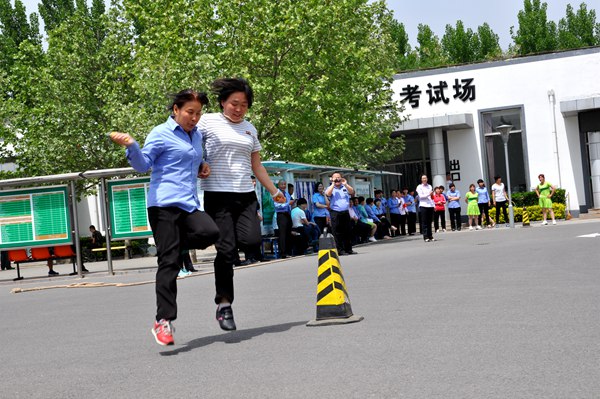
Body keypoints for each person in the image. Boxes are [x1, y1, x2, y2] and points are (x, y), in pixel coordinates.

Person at [110, 89, 221, 346]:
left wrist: (202, 164)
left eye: (198, 113)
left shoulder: (197, 135)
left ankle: (171, 245)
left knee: (210, 233)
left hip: (189, 205)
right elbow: (142, 165)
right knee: (169, 263)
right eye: (189, 112)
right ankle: (163, 321)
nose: (194, 118)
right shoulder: (160, 133)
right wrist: (131, 145)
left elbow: (193, 158)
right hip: (163, 206)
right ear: (176, 110)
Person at [198, 78, 285, 334]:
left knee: (252, 242)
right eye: (234, 103)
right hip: (218, 194)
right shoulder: (207, 122)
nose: (238, 109)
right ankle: (224, 304)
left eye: (244, 105)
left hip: (246, 194)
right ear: (223, 102)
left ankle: (228, 243)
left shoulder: (250, 129)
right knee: (226, 252)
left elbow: (256, 165)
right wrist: (199, 164)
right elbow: (192, 148)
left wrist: (274, 191)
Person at [325, 171, 355, 255]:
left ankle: (348, 249)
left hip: (345, 212)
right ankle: (340, 250)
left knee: (347, 231)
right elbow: (328, 193)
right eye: (335, 177)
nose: (337, 179)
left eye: (339, 177)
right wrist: (333, 183)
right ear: (332, 178)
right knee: (337, 232)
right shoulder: (330, 187)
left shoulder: (344, 187)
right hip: (335, 212)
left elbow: (352, 192)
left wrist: (345, 184)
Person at [274, 180, 294, 258]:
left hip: (287, 214)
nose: (283, 186)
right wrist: (288, 204)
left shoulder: (287, 194)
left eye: (284, 184)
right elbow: (277, 206)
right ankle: (283, 253)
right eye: (282, 184)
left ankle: (289, 251)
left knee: (288, 232)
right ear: (278, 185)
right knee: (282, 234)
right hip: (281, 214)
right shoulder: (278, 193)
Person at [416, 175, 435, 242]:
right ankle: (425, 236)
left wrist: (434, 205)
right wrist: (428, 194)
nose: (424, 179)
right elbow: (421, 196)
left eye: (425, 178)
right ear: (421, 179)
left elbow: (431, 197)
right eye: (423, 178)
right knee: (424, 222)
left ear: (427, 179)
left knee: (430, 222)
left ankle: (430, 235)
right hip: (423, 205)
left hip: (430, 205)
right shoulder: (419, 187)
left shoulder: (429, 186)